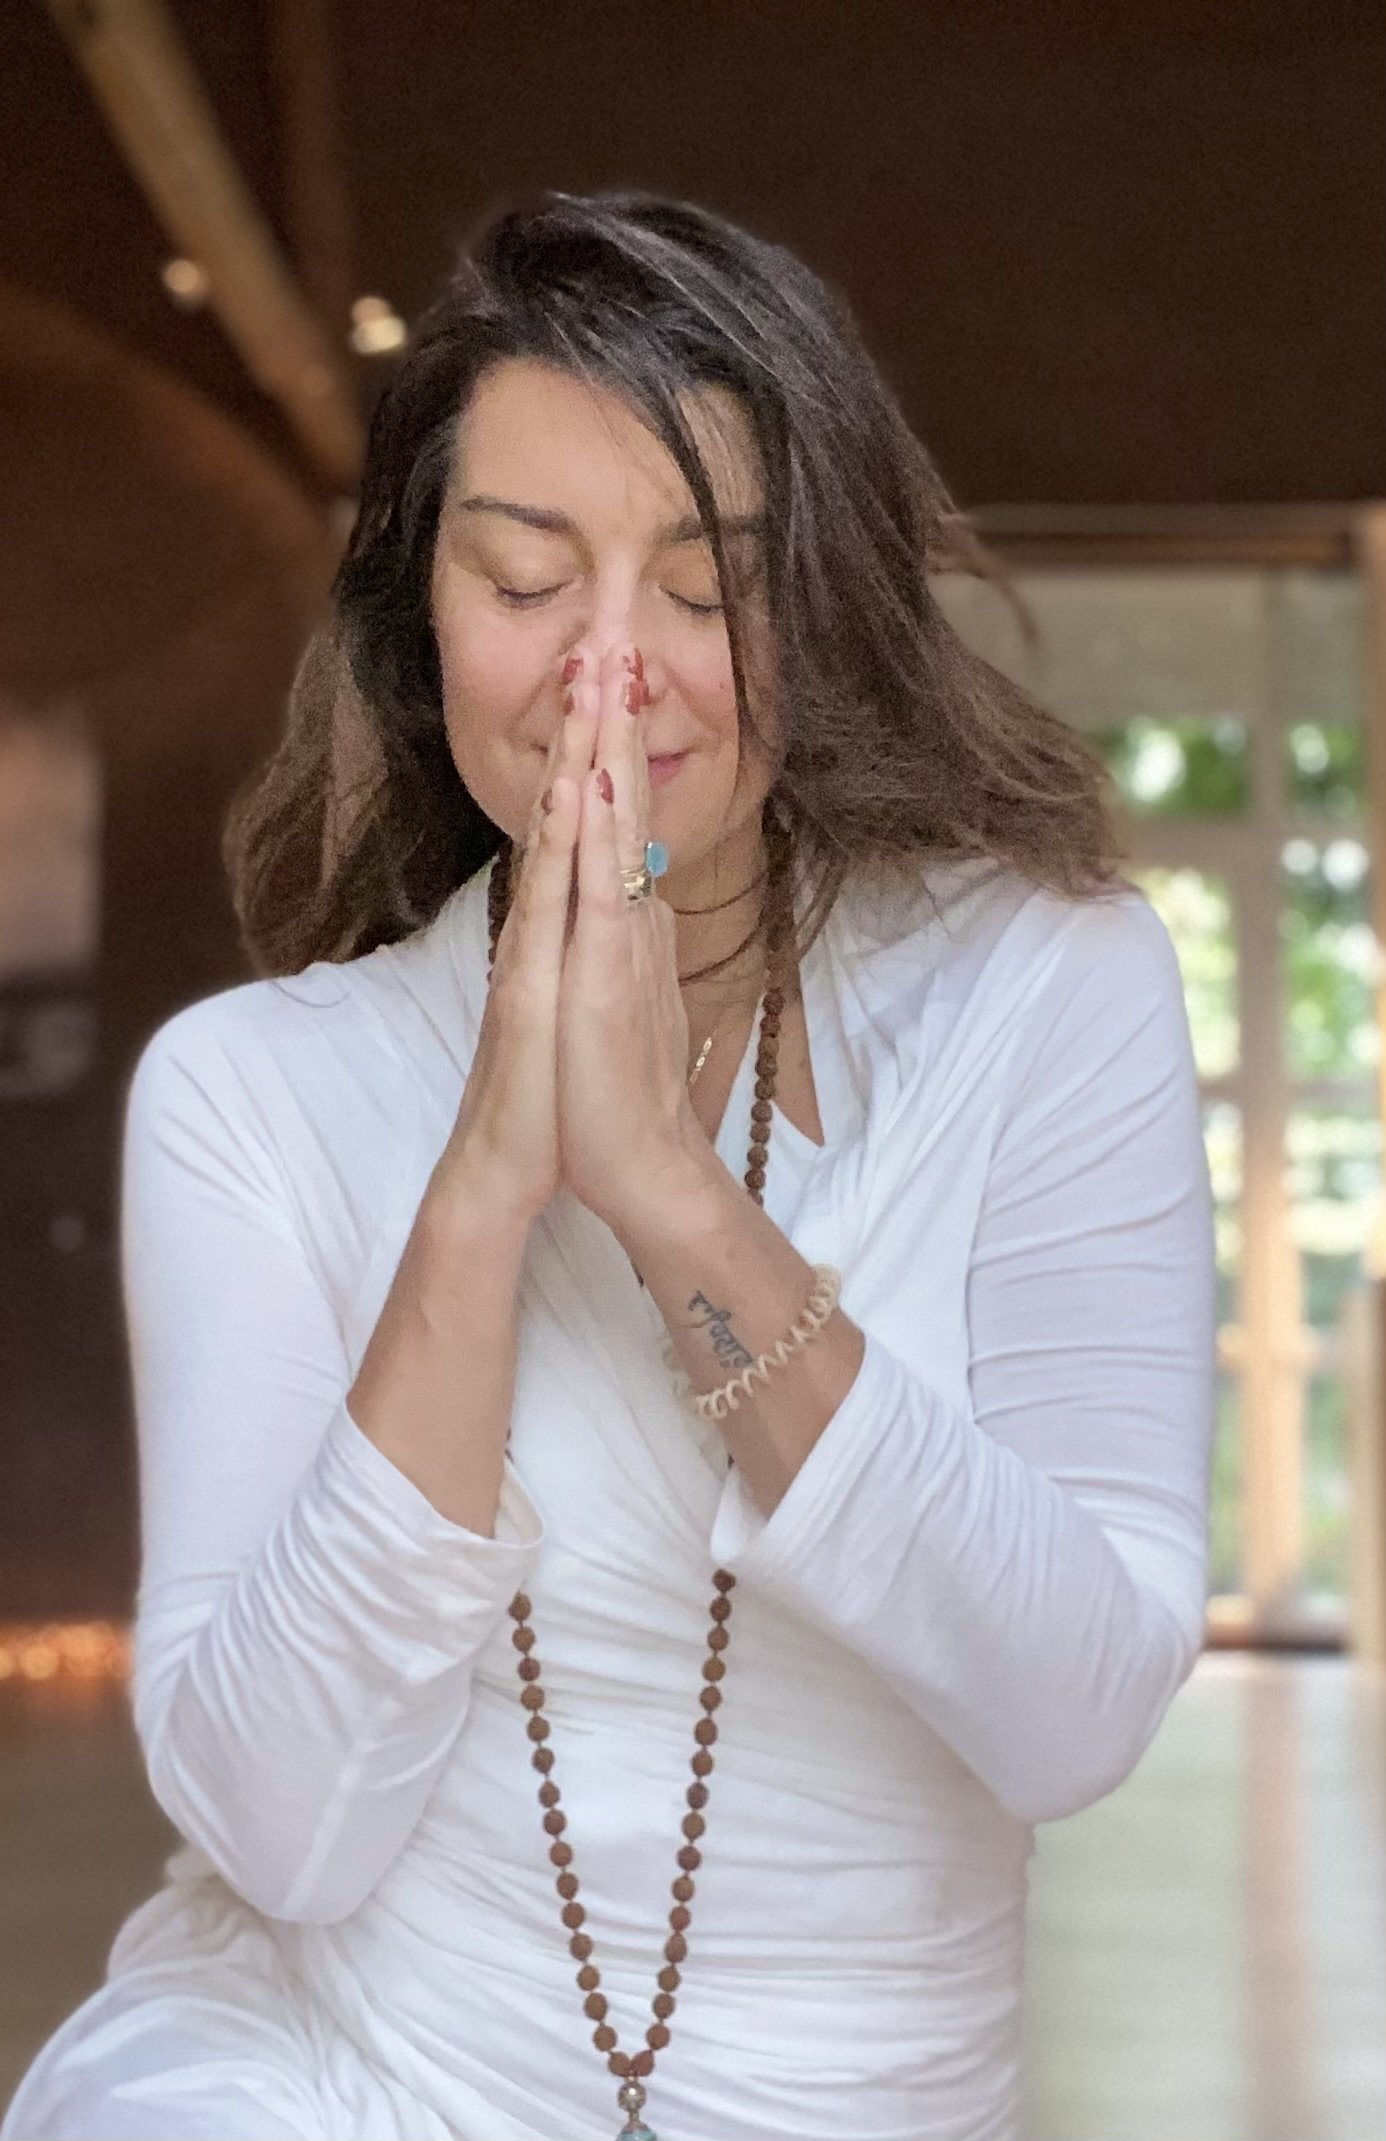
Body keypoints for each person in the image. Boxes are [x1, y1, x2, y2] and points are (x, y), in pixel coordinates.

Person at [1, 189, 1215, 2141]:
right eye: (527, 576)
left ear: (818, 600)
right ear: (423, 618)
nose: (610, 672)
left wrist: (667, 1194)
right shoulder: (250, 1092)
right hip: (341, 2077)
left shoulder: (1046, 990)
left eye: (705, 577)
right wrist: (486, 1192)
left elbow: (1075, 1715)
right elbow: (281, 1836)